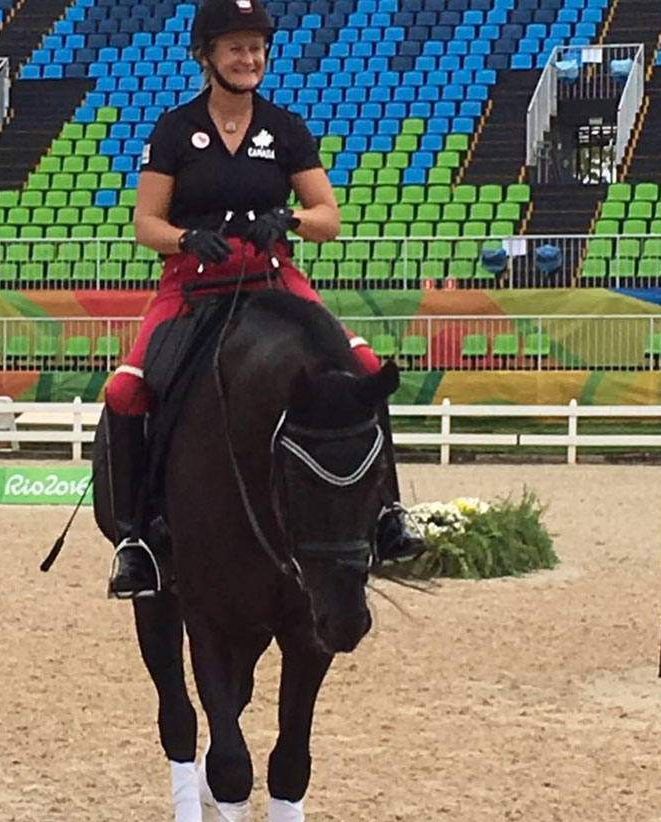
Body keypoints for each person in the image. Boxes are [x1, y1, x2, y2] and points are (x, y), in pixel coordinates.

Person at [102, 0, 425, 599]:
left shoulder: (285, 128)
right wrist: (183, 236)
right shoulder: (174, 129)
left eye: (256, 48)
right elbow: (145, 223)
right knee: (126, 390)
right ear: (207, 55)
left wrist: (292, 220)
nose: (248, 58)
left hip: (274, 278)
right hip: (194, 281)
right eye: (235, 47)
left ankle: (388, 514)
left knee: (366, 369)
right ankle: (137, 538)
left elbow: (328, 217)